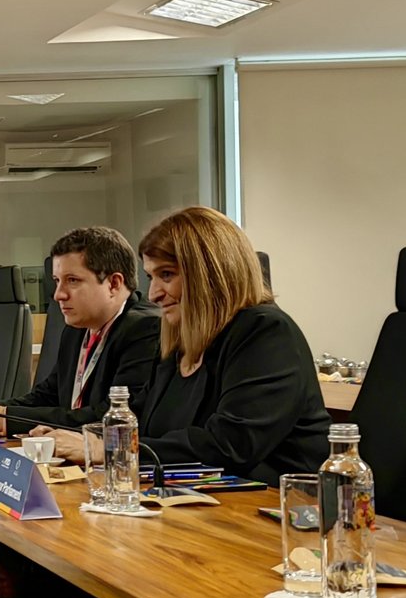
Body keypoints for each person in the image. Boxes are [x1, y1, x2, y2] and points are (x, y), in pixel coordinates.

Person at [45, 207, 328, 483]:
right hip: (197, 504)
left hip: (278, 512)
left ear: (210, 273)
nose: (154, 294)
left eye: (166, 275)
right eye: (151, 277)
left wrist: (106, 449)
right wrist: (78, 439)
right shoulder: (181, 341)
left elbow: (229, 445)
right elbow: (136, 417)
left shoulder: (265, 332)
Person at [8, 226, 161, 431]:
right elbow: (48, 395)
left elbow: (112, 415)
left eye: (72, 280)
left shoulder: (145, 329)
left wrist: (7, 418)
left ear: (114, 283)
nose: (58, 295)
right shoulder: (76, 330)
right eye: (56, 281)